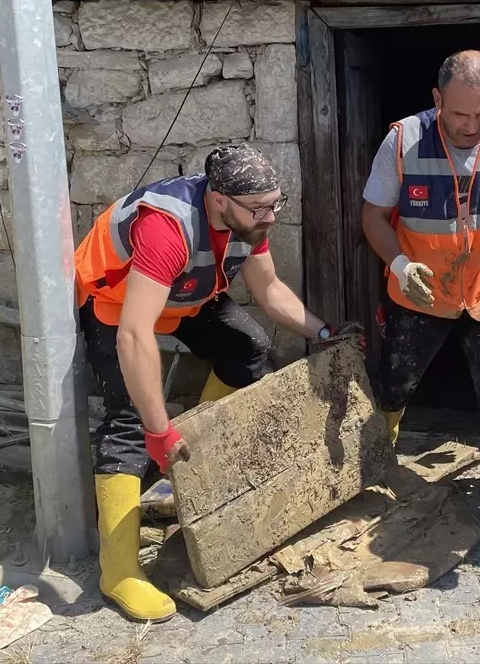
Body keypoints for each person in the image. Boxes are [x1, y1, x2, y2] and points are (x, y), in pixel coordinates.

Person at [73, 144, 356, 621]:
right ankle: (118, 571)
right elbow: (134, 333)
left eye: (275, 204)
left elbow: (268, 291)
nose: (269, 217)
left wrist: (325, 333)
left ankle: (188, 461)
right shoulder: (168, 229)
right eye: (259, 208)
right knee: (129, 423)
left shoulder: (248, 220)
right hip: (115, 301)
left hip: (182, 293)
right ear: (219, 199)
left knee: (247, 348)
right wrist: (157, 428)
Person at [361, 50, 480, 546]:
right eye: (459, 114)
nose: (471, 125)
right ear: (436, 100)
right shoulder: (403, 139)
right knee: (395, 384)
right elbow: (373, 216)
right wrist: (400, 265)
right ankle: (379, 476)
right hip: (421, 288)